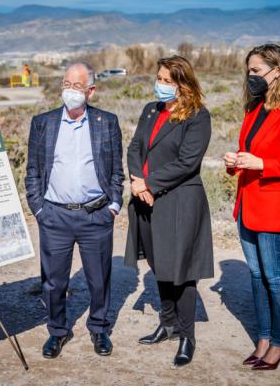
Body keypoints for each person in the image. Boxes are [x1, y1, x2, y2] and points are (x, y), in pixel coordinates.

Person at [223, 44, 280, 370]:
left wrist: (263, 162)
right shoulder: (254, 109)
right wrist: (234, 162)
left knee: (276, 279)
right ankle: (263, 338)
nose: (251, 77)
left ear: (277, 71)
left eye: (256, 71)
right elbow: (247, 152)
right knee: (257, 277)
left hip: (274, 209)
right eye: (248, 71)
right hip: (247, 206)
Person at [25, 62, 124, 358]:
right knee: (54, 281)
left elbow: (116, 169)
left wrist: (114, 205)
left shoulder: (107, 122)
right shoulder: (43, 122)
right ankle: (56, 331)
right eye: (66, 84)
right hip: (54, 215)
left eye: (77, 86)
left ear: (91, 91)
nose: (70, 91)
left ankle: (99, 328)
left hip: (96, 215)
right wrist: (39, 209)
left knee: (99, 279)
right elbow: (32, 170)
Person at [125, 55, 213, 368]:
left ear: (183, 83)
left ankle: (187, 335)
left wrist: (147, 183)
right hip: (145, 199)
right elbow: (135, 147)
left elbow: (188, 163)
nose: (160, 85)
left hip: (178, 201)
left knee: (182, 270)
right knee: (159, 264)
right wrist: (138, 182)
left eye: (167, 80)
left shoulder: (198, 117)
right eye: (159, 78)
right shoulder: (151, 109)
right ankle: (168, 322)